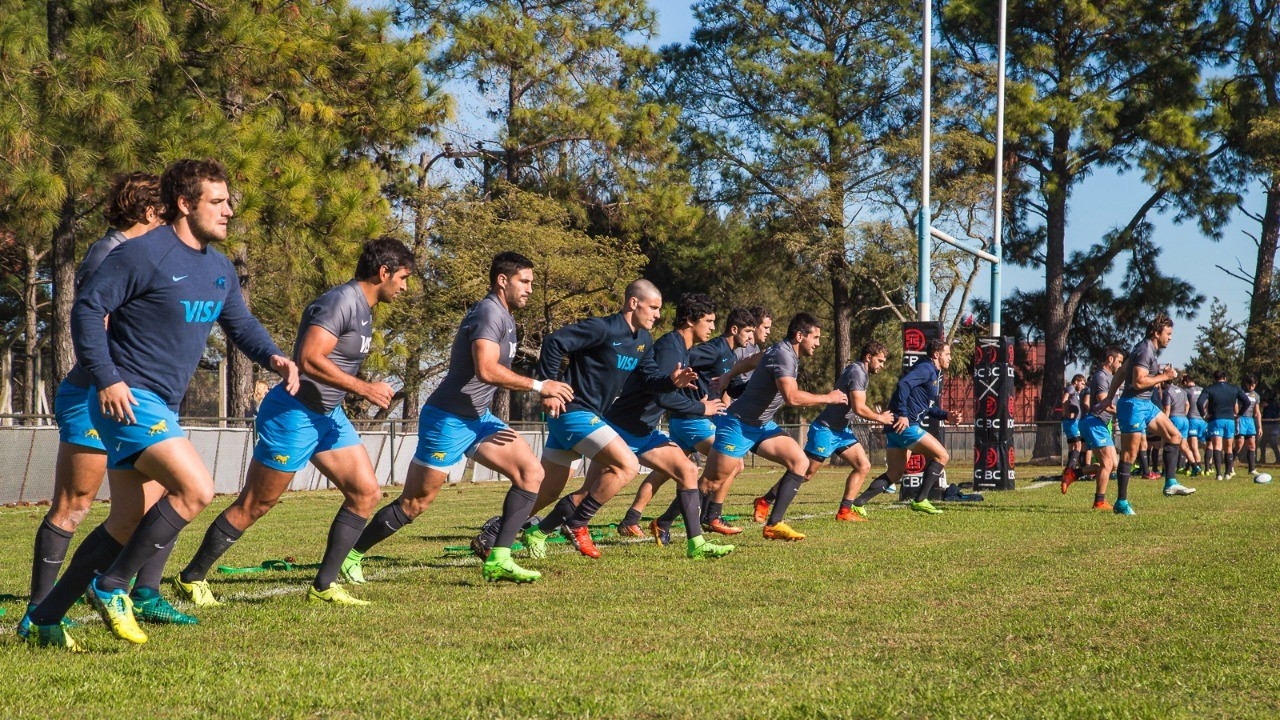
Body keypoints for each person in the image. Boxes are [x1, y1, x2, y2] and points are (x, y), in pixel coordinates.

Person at [26, 159, 298, 650]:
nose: (229, 211)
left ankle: (46, 618)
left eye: (229, 201)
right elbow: (87, 310)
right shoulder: (141, 254)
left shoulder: (218, 267)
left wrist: (273, 356)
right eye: (218, 202)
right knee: (196, 488)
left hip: (161, 404)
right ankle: (112, 586)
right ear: (184, 203)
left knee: (125, 519)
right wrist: (107, 378)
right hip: (129, 398)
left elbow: (239, 323)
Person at [173, 239, 413, 608]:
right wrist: (363, 388)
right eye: (403, 277)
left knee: (366, 493)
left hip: (328, 415)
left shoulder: (366, 309)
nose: (405, 287)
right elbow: (309, 358)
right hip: (294, 414)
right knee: (255, 504)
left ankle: (324, 586)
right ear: (384, 272)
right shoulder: (340, 301)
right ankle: (191, 577)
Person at [20, 172, 196, 638]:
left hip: (137, 397)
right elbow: (93, 326)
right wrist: (112, 379)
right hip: (94, 393)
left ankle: (143, 592)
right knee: (75, 503)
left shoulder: (149, 255)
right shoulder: (111, 252)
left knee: (158, 498)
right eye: (168, 212)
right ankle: (38, 610)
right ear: (149, 211)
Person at [344, 252, 573, 582]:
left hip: (479, 418)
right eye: (524, 281)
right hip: (448, 419)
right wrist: (540, 385)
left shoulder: (506, 317)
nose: (530, 289)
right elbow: (486, 370)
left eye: (531, 283)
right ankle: (351, 555)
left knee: (531, 473)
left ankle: (499, 557)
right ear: (502, 280)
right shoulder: (489, 313)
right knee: (415, 503)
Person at [519, 280, 697, 560]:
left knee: (548, 491)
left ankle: (499, 531)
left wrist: (671, 381)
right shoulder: (602, 328)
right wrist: (548, 387)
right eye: (653, 307)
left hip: (588, 414)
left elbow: (649, 380)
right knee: (627, 466)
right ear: (633, 303)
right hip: (573, 409)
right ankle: (577, 524)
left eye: (659, 309)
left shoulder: (643, 340)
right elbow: (554, 342)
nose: (658, 315)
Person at [594, 293, 735, 558]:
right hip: (622, 428)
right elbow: (662, 396)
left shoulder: (682, 348)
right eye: (708, 321)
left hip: (643, 431)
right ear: (691, 320)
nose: (713, 327)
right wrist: (701, 408)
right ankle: (538, 529)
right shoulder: (670, 347)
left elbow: (667, 391)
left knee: (687, 470)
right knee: (586, 494)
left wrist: (695, 401)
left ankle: (696, 544)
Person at [695, 312, 846, 541]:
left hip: (762, 426)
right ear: (799, 336)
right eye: (815, 337)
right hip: (739, 425)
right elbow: (792, 398)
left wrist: (728, 375)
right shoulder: (784, 355)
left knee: (800, 462)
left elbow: (750, 360)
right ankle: (664, 522)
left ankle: (774, 524)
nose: (817, 343)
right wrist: (829, 398)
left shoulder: (780, 350)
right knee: (710, 483)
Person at [615, 307, 756, 539]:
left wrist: (760, 381)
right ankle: (709, 516)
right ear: (734, 329)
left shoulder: (731, 356)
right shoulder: (713, 348)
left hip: (688, 418)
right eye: (749, 331)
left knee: (666, 472)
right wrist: (693, 398)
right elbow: (684, 363)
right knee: (733, 464)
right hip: (692, 419)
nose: (752, 337)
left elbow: (733, 388)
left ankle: (631, 519)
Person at [754, 341, 893, 523]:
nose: (882, 365)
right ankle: (764, 501)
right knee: (805, 474)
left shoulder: (861, 372)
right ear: (868, 357)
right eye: (880, 361)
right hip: (826, 430)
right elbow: (859, 408)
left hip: (841, 431)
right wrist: (880, 418)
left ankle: (844, 511)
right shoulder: (858, 372)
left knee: (863, 465)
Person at [1102, 313, 1194, 517]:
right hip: (1133, 405)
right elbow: (1138, 382)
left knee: (1175, 436)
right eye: (1168, 333)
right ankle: (1121, 502)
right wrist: (1164, 376)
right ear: (1156, 333)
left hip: (1145, 404)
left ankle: (1170, 483)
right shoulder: (1145, 350)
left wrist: (1109, 398)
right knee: (1129, 454)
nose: (1170, 337)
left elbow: (1120, 373)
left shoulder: (1143, 348)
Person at [880, 339, 961, 515]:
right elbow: (903, 384)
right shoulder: (926, 369)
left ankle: (857, 503)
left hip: (899, 427)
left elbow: (929, 407)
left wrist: (946, 415)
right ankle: (920, 500)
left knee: (894, 473)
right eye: (947, 354)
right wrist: (902, 414)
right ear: (937, 355)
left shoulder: (935, 373)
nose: (950, 358)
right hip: (907, 424)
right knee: (942, 456)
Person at [1064, 346, 1125, 510]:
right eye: (1119, 361)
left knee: (1113, 465)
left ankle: (1074, 473)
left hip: (1100, 424)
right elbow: (1104, 403)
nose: (1120, 365)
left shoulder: (1110, 378)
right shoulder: (1101, 377)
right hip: (1094, 422)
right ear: (1110, 359)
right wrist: (1125, 413)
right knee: (1107, 463)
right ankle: (1099, 502)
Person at [1197, 370, 1250, 480]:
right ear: (1225, 378)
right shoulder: (1234, 388)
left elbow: (1199, 402)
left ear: (1214, 378)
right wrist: (1239, 414)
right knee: (1229, 447)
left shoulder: (1209, 388)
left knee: (1217, 446)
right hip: (1230, 420)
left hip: (1215, 419)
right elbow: (1247, 402)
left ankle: (1218, 475)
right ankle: (1227, 473)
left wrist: (1203, 415)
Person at [1234, 376, 1263, 476]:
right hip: (1241, 419)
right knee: (1240, 443)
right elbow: (1235, 404)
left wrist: (1259, 426)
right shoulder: (1240, 392)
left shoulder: (1256, 396)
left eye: (1253, 385)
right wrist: (1237, 415)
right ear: (1246, 384)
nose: (1251, 387)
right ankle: (1230, 466)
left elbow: (1257, 412)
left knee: (1252, 444)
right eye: (1249, 385)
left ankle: (1252, 469)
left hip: (1250, 420)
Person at [1061, 374, 1086, 478]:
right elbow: (1064, 400)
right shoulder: (1071, 388)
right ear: (1076, 381)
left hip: (1070, 422)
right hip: (1072, 422)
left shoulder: (1075, 392)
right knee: (1078, 446)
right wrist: (1067, 413)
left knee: (1072, 447)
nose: (1083, 386)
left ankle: (1069, 469)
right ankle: (1069, 470)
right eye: (1082, 383)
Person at [1183, 374, 1207, 476]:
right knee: (1207, 445)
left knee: (1193, 447)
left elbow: (1185, 404)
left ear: (1185, 382)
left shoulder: (1186, 391)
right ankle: (1208, 467)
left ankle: (1198, 468)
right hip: (1203, 419)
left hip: (1192, 419)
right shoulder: (1202, 389)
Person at [1262, 397, 1280, 464]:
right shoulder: (1272, 408)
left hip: (1271, 430)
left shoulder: (1269, 409)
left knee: (1273, 444)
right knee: (1263, 444)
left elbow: (1267, 420)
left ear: (1264, 403)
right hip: (1272, 430)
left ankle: (1278, 459)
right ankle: (1262, 459)